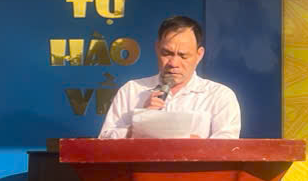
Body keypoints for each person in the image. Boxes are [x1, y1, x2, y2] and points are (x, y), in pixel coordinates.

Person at [98, 15, 241, 139]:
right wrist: (139, 125)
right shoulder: (131, 91)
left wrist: (196, 145)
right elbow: (103, 141)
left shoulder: (219, 96)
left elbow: (227, 149)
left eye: (183, 56)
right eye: (167, 53)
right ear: (157, 48)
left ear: (199, 55)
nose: (173, 63)